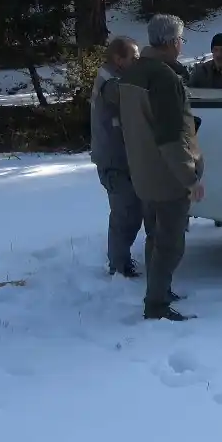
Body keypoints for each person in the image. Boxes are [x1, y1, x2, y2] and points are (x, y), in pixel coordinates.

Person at [115, 14, 205, 321]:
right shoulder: (163, 78)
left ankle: (159, 291)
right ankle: (156, 306)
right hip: (165, 175)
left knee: (155, 237)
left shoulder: (133, 73)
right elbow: (169, 137)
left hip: (142, 170)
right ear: (169, 42)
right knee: (170, 243)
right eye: (180, 39)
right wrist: (189, 178)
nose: (181, 45)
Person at [90, 36, 145, 279]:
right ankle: (119, 266)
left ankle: (120, 261)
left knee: (131, 210)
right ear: (118, 59)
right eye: (134, 57)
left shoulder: (114, 77)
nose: (138, 61)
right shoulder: (110, 82)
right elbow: (127, 97)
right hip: (113, 160)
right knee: (125, 212)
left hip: (121, 158)